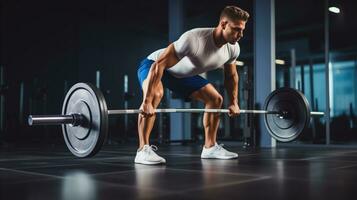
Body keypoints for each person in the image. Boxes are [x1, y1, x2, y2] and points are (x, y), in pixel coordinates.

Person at [135, 5, 249, 165]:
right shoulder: (195, 39)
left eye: (242, 30)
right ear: (223, 24)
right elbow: (159, 65)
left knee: (215, 99)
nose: (240, 34)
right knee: (155, 95)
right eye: (237, 29)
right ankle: (142, 150)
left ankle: (210, 147)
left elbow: (231, 76)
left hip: (181, 75)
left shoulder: (233, 48)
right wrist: (146, 102)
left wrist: (234, 102)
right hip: (153, 65)